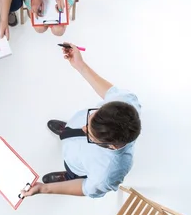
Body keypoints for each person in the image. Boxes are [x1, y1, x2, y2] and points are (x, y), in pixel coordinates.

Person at [22, 43, 141, 199]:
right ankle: (66, 131)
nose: (83, 128)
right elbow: (109, 92)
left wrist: (45, 189)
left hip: (76, 165)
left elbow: (85, 187)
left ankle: (69, 175)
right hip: (79, 133)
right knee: (70, 131)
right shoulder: (125, 102)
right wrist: (80, 65)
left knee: (73, 171)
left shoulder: (108, 172)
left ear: (112, 146)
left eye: (90, 135)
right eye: (91, 118)